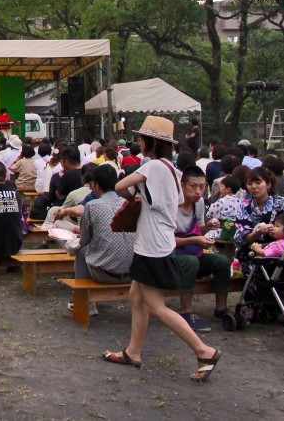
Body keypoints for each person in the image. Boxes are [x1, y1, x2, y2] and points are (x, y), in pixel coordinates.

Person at [102, 115, 222, 383]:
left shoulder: (153, 166)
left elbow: (120, 185)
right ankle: (133, 351)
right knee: (136, 296)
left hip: (151, 246)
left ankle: (204, 351)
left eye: (142, 138)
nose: (139, 142)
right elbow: (175, 201)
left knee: (156, 306)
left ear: (150, 142)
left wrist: (134, 198)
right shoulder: (172, 169)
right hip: (161, 241)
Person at [173, 166, 231, 333]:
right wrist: (195, 240)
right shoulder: (172, 206)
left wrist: (207, 227)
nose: (198, 191)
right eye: (193, 186)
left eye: (202, 187)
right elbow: (166, 241)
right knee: (191, 262)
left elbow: (197, 230)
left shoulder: (198, 204)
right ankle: (186, 312)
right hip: (171, 256)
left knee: (221, 261)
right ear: (182, 185)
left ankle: (221, 309)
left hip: (192, 251)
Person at [75, 164, 135, 284]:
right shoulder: (129, 204)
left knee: (81, 251)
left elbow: (84, 241)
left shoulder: (92, 206)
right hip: (132, 272)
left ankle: (82, 298)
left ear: (96, 185)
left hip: (104, 273)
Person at [248, 212, 284, 323]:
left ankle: (254, 307)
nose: (274, 228)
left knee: (253, 277)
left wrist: (255, 247)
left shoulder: (278, 245)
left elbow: (264, 253)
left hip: (273, 275)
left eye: (277, 226)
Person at [234, 166, 284, 258]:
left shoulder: (283, 203)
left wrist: (275, 232)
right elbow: (240, 237)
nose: (253, 187)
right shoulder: (243, 206)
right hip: (252, 251)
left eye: (258, 182)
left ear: (268, 184)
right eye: (249, 183)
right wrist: (257, 233)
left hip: (280, 252)